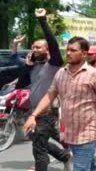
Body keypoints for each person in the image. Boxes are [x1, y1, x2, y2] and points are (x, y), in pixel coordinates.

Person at [24, 37, 96, 171]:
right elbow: (49, 95)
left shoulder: (94, 74)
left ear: (84, 54)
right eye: (67, 50)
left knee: (80, 168)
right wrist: (33, 115)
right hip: (69, 133)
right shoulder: (61, 73)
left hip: (87, 133)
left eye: (73, 50)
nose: (68, 53)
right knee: (90, 166)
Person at [12, 9, 71, 171]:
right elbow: (21, 84)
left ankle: (45, 165)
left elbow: (52, 43)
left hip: (47, 111)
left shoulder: (54, 64)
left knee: (39, 147)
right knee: (38, 140)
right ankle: (65, 156)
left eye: (38, 47)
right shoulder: (32, 66)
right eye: (33, 47)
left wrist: (42, 20)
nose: (34, 49)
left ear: (47, 50)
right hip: (34, 110)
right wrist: (27, 66)